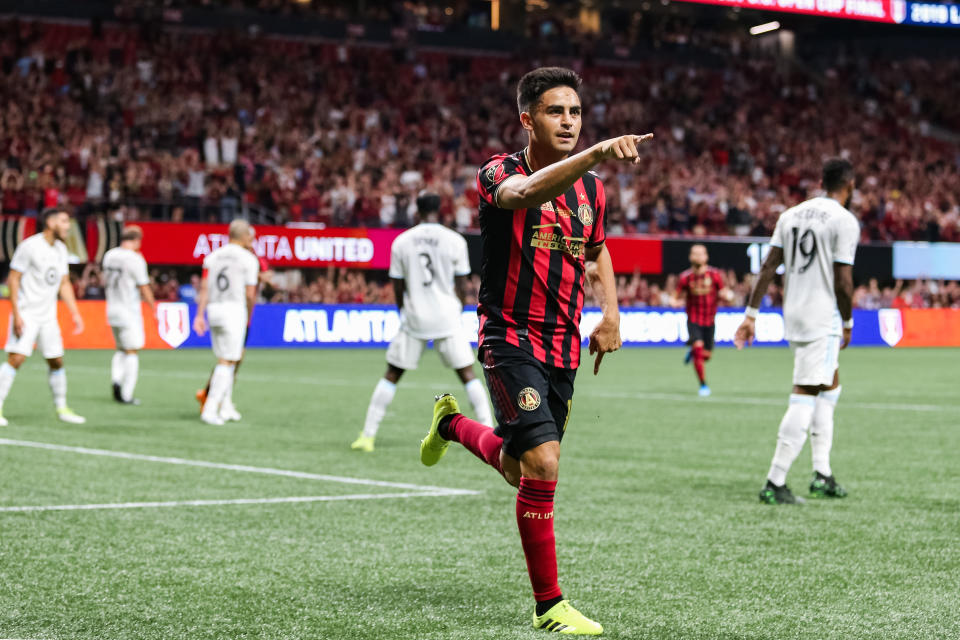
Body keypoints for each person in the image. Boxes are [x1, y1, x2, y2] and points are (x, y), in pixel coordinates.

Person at [417, 67, 653, 635]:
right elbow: (523, 194)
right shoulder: (499, 170)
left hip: (562, 341)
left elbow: (597, 254)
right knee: (544, 463)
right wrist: (596, 152)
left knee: (522, 467)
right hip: (509, 335)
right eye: (556, 112)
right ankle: (549, 605)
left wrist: (611, 313)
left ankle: (452, 426)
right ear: (528, 119)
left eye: (575, 112)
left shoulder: (592, 190)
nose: (568, 122)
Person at [735, 158, 859, 505]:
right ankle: (775, 481)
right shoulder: (844, 220)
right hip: (824, 317)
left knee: (829, 386)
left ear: (822, 181)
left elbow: (769, 266)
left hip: (796, 312)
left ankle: (822, 473)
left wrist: (751, 313)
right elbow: (843, 281)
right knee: (805, 391)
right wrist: (848, 322)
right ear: (849, 185)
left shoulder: (790, 215)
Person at [351, 192, 493, 453]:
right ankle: (488, 431)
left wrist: (405, 311)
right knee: (467, 374)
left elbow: (397, 283)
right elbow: (462, 282)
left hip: (415, 315)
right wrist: (456, 308)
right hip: (446, 314)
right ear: (440, 211)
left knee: (392, 374)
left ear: (417, 212)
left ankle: (367, 436)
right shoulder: (454, 240)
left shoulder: (402, 241)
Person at [0, 207, 86, 425]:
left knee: (56, 360)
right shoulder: (29, 246)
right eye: (64, 221)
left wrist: (75, 312)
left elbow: (64, 283)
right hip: (27, 313)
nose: (68, 226)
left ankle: (62, 408)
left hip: (48, 316)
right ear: (50, 222)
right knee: (16, 359)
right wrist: (17, 314)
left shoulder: (60, 249)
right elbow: (14, 279)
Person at [192, 219, 259, 426]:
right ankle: (210, 410)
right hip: (234, 309)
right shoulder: (248, 259)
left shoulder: (212, 257)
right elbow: (250, 294)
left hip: (214, 309)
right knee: (228, 361)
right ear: (245, 236)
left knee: (226, 358)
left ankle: (226, 405)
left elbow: (204, 288)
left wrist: (200, 314)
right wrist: (249, 314)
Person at [102, 225, 156, 404]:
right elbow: (143, 285)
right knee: (132, 351)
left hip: (111, 308)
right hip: (128, 310)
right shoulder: (135, 259)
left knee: (121, 349)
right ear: (137, 240)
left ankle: (116, 380)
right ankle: (126, 394)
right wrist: (153, 306)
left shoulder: (109, 255)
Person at [671, 244, 732, 396]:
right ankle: (703, 385)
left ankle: (692, 353)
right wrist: (674, 302)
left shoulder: (714, 275)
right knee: (698, 348)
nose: (698, 256)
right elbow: (674, 296)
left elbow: (724, 291)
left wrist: (728, 295)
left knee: (707, 356)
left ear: (706, 257)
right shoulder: (685, 277)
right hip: (693, 320)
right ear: (690, 257)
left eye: (701, 254)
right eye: (695, 254)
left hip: (710, 321)